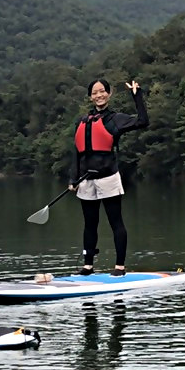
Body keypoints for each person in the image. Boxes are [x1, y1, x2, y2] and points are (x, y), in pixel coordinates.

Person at [68, 78, 148, 276]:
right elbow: (78, 153)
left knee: (115, 221)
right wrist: (73, 179)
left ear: (109, 93)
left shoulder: (116, 119)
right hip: (85, 181)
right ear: (90, 97)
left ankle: (119, 267)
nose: (98, 95)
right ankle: (87, 266)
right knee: (89, 224)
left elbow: (142, 121)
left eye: (102, 91)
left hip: (108, 178)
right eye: (94, 92)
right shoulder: (82, 121)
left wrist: (137, 96)